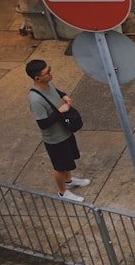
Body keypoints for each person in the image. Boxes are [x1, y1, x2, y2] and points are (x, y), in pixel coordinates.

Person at [26, 59, 90, 202]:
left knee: (68, 161)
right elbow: (43, 124)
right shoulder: (35, 100)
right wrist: (59, 111)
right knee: (60, 168)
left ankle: (69, 181)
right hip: (55, 139)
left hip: (65, 132)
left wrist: (63, 95)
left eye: (49, 69)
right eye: (47, 72)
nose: (50, 73)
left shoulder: (47, 83)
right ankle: (63, 192)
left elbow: (55, 91)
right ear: (38, 78)